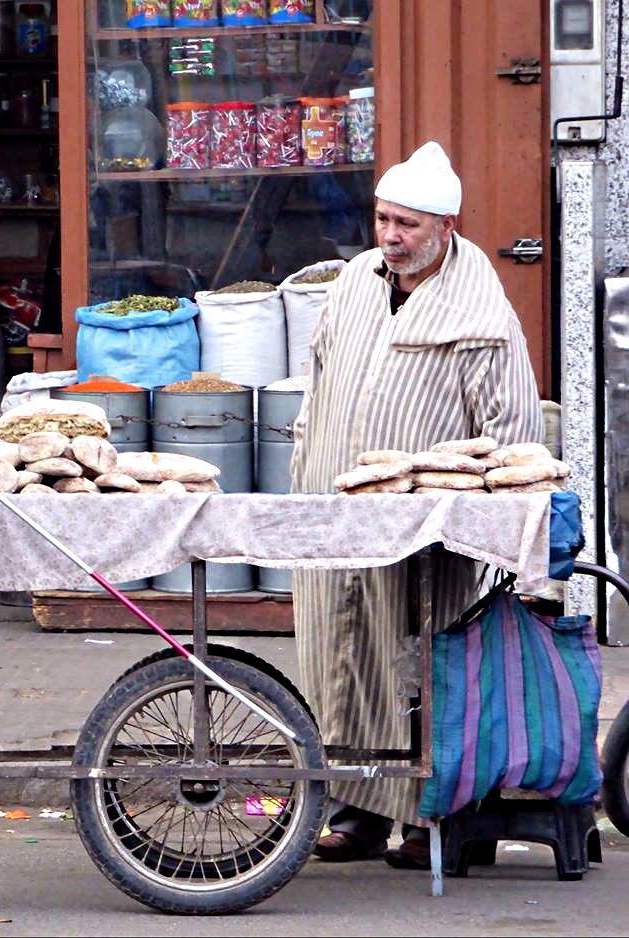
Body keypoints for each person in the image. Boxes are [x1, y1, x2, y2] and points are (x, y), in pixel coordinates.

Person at [289, 141, 544, 870]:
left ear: (446, 225)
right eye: (382, 219)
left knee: (417, 672)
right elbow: (317, 383)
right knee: (340, 666)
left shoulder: (481, 314)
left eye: (406, 223)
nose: (390, 236)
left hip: (425, 534)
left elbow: (512, 436)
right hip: (336, 519)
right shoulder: (352, 284)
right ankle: (360, 810)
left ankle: (436, 819)